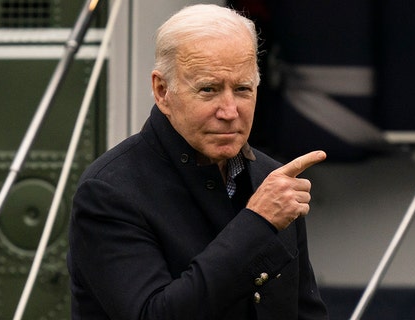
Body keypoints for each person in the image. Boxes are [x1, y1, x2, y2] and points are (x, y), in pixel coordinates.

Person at [67, 4, 328, 319]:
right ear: (162, 91)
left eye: (243, 89)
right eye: (209, 90)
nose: (229, 111)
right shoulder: (109, 192)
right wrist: (257, 223)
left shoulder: (270, 179)